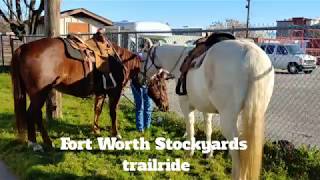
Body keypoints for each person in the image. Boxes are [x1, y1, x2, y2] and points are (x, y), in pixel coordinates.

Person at [131, 38, 153, 132]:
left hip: (147, 83)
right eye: (145, 45)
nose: (146, 47)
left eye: (148, 45)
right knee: (140, 106)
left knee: (148, 106)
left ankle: (147, 127)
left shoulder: (152, 57)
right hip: (136, 83)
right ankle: (140, 128)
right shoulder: (137, 56)